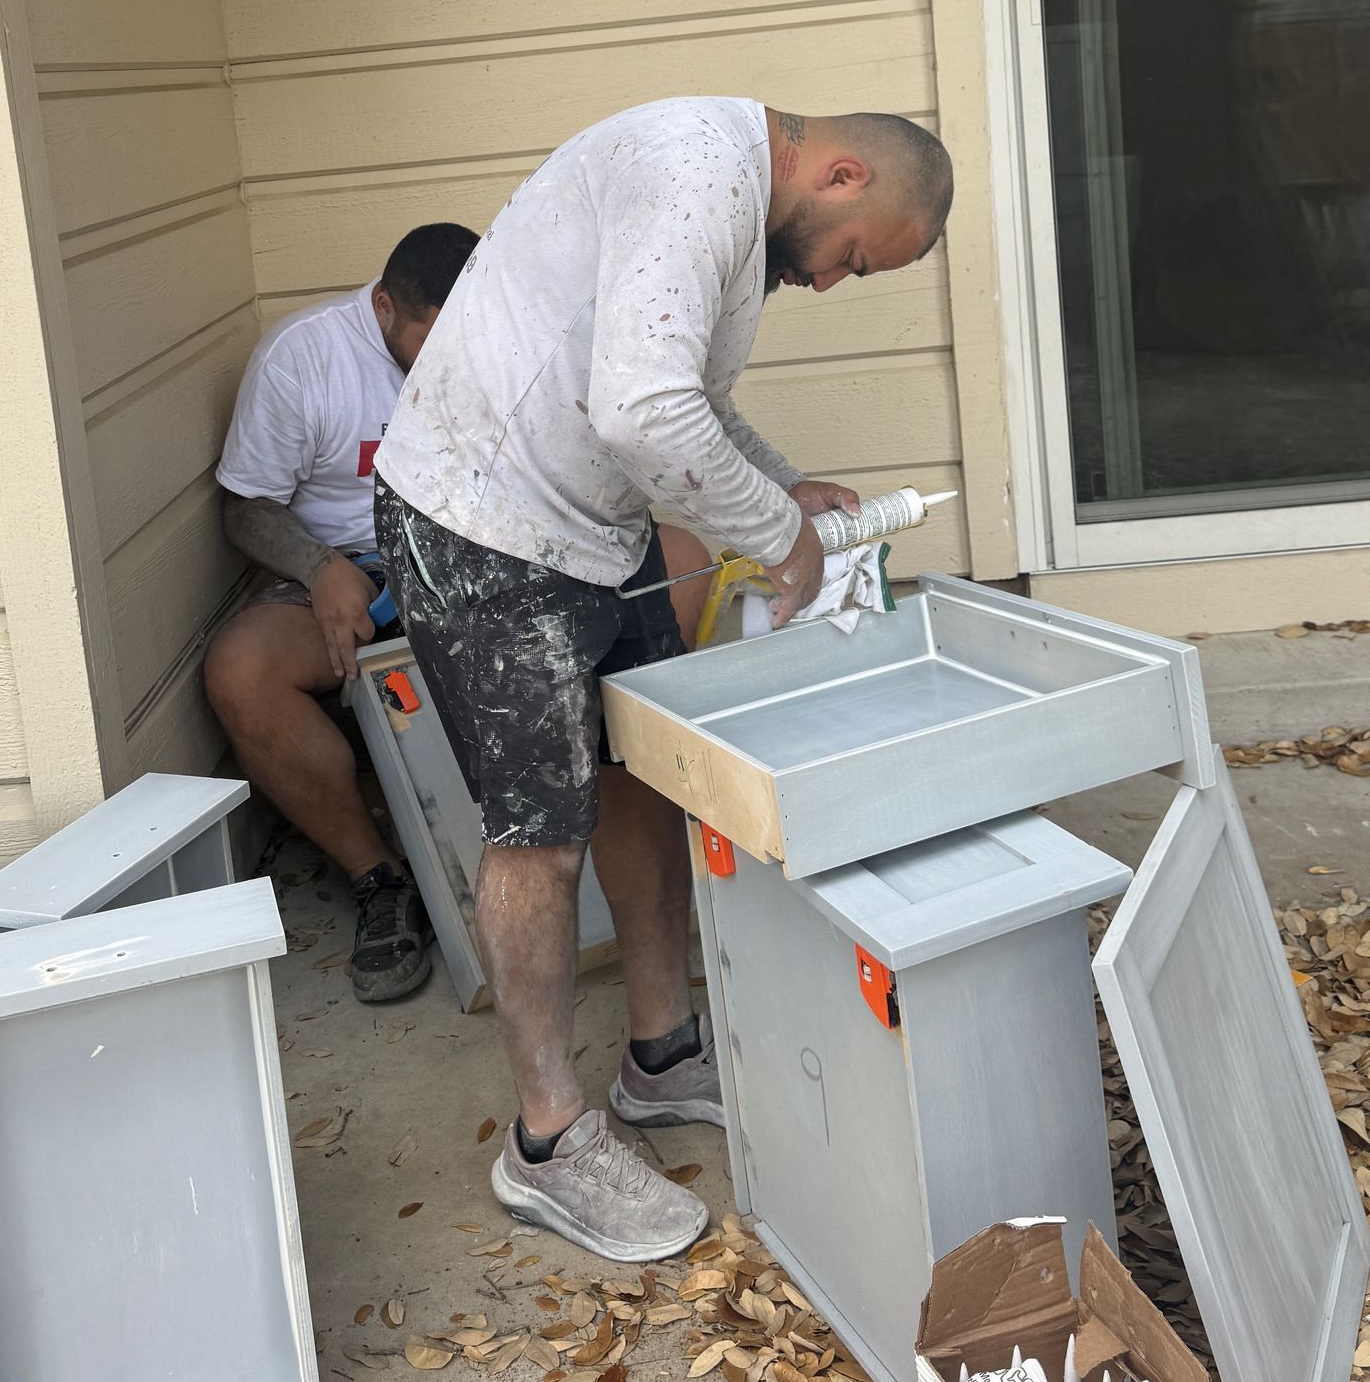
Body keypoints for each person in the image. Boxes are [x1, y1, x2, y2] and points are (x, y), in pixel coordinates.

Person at [373, 100, 952, 1259]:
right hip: (480, 520)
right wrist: (776, 533)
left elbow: (692, 403)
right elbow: (644, 412)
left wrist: (785, 486)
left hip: (590, 519)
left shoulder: (738, 211)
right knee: (538, 832)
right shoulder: (697, 171)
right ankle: (545, 1140)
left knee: (642, 771)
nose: (830, 281)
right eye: (852, 258)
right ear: (841, 174)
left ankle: (661, 1053)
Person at [204, 222, 479, 1003]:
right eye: (432, 339)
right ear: (385, 306)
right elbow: (245, 507)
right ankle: (381, 878)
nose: (453, 358)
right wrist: (319, 567)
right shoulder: (303, 357)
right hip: (348, 570)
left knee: (667, 558)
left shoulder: (500, 334)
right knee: (241, 670)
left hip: (474, 558)